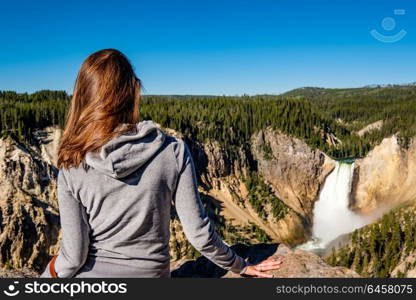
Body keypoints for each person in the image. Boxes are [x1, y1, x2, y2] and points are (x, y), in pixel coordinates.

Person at [41, 49, 283, 278]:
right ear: (132, 92)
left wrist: (46, 277)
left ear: (82, 98)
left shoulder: (72, 163)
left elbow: (73, 257)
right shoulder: (172, 150)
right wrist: (240, 266)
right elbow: (200, 235)